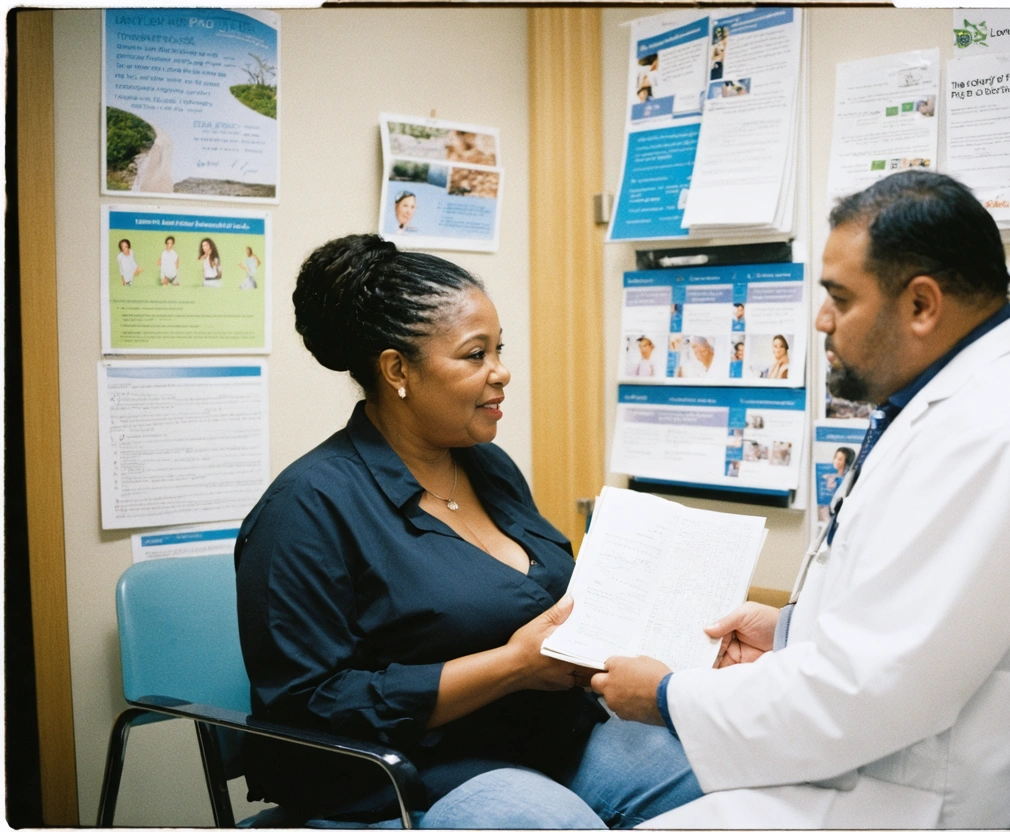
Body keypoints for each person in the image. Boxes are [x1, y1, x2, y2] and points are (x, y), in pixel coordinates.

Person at [590, 171, 1010, 829]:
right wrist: (790, 631)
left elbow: (860, 696)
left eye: (839, 297)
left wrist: (667, 696)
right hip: (930, 749)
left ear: (921, 304)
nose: (821, 319)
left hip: (934, 795)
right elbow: (922, 625)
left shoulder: (987, 434)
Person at [235, 235, 700, 828]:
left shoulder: (487, 466)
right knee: (553, 823)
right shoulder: (306, 509)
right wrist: (513, 666)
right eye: (475, 355)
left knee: (714, 774)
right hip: (407, 774)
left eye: (499, 349)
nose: (501, 372)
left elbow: (540, 597)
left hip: (548, 737)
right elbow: (310, 706)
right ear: (397, 369)